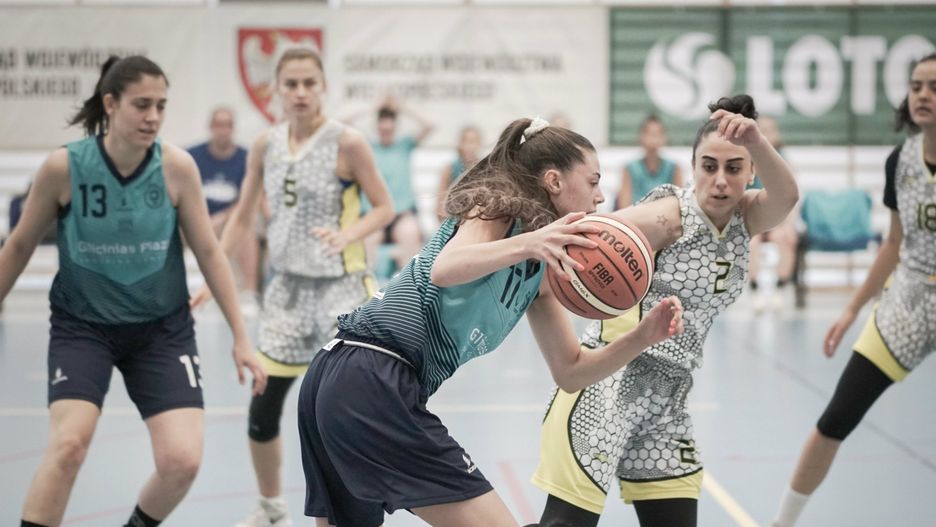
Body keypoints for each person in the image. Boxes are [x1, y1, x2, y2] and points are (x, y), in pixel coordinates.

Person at [296, 117, 686, 527]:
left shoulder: (540, 274)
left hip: (344, 377)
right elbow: (445, 269)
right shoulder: (498, 206)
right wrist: (531, 242)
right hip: (370, 375)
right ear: (554, 181)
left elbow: (571, 372)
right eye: (593, 181)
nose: (601, 196)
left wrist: (643, 336)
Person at [0, 55, 267, 527]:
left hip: (161, 330)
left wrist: (242, 338)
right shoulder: (65, 168)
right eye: (142, 105)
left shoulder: (176, 168)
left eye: (161, 106)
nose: (153, 116)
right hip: (84, 327)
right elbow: (19, 244)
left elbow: (209, 251)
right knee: (68, 446)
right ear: (110, 103)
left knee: (182, 461)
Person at [531, 95, 799, 527]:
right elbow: (568, 253)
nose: (720, 180)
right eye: (708, 166)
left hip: (666, 402)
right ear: (692, 167)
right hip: (607, 388)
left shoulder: (745, 218)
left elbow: (787, 197)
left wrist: (755, 138)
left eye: (734, 168)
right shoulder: (666, 217)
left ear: (751, 172)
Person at [191, 47, 394, 527]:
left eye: (309, 83)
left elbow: (384, 208)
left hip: (341, 292)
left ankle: (348, 508)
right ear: (276, 90)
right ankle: (271, 507)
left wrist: (349, 234)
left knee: (338, 412)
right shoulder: (265, 145)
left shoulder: (348, 143)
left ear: (323, 87)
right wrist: (212, 277)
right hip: (286, 293)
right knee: (263, 408)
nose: (301, 92)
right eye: (291, 84)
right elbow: (243, 217)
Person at [768, 53, 936, 527]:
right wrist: (850, 311)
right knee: (837, 416)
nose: (923, 95)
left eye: (934, 87)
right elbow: (894, 244)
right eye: (917, 86)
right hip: (909, 301)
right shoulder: (900, 162)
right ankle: (782, 522)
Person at [345, 95, 435, 272]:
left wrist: (402, 107)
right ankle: (366, 286)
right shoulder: (367, 146)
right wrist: (373, 106)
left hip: (402, 214)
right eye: (382, 125)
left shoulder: (405, 145)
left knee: (410, 234)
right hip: (374, 213)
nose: (386, 129)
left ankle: (408, 286)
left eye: (390, 126)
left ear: (395, 126)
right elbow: (343, 123)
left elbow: (431, 125)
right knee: (366, 244)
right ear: (377, 126)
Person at [188, 107, 262, 312]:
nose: (223, 130)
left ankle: (250, 293)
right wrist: (200, 218)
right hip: (196, 218)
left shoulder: (247, 158)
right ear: (211, 127)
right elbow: (182, 192)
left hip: (230, 219)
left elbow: (250, 198)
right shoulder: (192, 156)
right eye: (219, 125)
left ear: (233, 128)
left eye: (227, 125)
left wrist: (223, 217)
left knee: (247, 230)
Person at [746, 116, 799, 313]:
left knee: (785, 239)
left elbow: (793, 196)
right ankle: (755, 291)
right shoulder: (746, 159)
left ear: (777, 135)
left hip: (778, 219)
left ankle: (779, 289)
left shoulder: (784, 160)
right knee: (751, 244)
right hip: (754, 218)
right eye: (762, 130)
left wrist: (789, 226)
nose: (766, 135)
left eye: (770, 130)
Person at [616, 114, 684, 208]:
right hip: (635, 216)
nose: (653, 139)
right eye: (650, 134)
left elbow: (680, 205)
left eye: (657, 134)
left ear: (664, 138)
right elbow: (624, 206)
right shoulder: (629, 169)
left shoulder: (674, 169)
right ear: (641, 137)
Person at [435, 125, 482, 221]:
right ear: (460, 144)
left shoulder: (483, 168)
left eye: (473, 142)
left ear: (479, 144)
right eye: (466, 141)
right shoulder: (450, 168)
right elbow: (440, 202)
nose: (470, 146)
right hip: (453, 216)